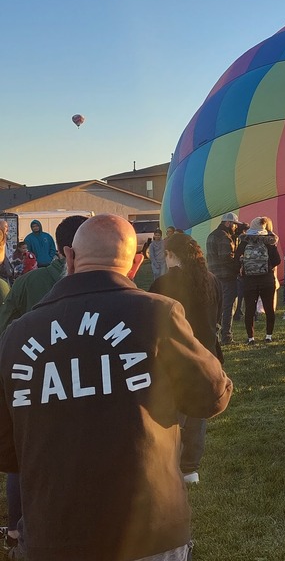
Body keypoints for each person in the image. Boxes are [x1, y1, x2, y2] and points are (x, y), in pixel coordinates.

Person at [0, 214, 232, 560]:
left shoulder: (17, 334)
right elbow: (212, 396)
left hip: (54, 534)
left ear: (70, 257)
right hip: (149, 530)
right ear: (136, 264)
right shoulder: (157, 313)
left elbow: (7, 451)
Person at [0, 214, 90, 549]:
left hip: (30, 373)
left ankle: (16, 528)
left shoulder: (25, 282)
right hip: (84, 375)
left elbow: (5, 324)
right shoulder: (116, 296)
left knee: (24, 457)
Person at [149, 231, 222, 484]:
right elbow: (217, 319)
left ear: (170, 255)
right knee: (197, 415)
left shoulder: (162, 285)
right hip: (207, 355)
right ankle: (190, 468)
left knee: (170, 415)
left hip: (173, 357)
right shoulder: (212, 281)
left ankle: (167, 463)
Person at [235, 216, 282, 344]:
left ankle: (251, 338)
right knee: (268, 308)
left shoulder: (244, 242)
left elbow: (236, 259)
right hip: (267, 280)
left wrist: (242, 267)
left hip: (249, 280)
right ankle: (268, 336)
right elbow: (277, 260)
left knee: (249, 308)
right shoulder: (268, 242)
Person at [207, 212, 244, 344]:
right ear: (228, 223)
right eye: (234, 225)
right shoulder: (224, 237)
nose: (235, 228)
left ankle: (213, 336)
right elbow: (226, 258)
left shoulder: (212, 235)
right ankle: (226, 336)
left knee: (217, 307)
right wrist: (238, 266)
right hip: (226, 276)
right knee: (228, 307)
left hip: (213, 275)